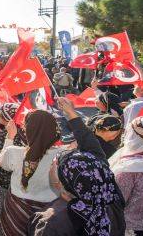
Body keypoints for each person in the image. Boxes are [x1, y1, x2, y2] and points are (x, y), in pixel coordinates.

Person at [30, 97, 125, 235]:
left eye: (55, 165)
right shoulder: (112, 199)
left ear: (61, 184)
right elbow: (93, 149)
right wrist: (71, 113)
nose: (52, 166)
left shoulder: (53, 222)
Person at [0, 109, 63, 236]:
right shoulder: (63, 155)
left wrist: (10, 137)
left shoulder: (13, 152)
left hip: (16, 210)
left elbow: (0, 163)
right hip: (50, 210)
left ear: (27, 130)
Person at [0, 103, 25, 236]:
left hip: (2, 183)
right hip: (20, 184)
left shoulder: (1, 136)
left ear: (6, 119)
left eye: (0, 114)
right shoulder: (28, 134)